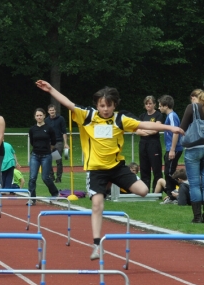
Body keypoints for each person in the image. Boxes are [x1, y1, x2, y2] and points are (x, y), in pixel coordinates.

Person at [36, 80, 184, 259]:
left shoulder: (120, 119)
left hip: (116, 168)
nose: (105, 109)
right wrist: (50, 89)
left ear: (115, 105)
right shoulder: (88, 116)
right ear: (97, 105)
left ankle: (107, 186)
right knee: (97, 204)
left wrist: (170, 127)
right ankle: (97, 245)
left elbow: (146, 125)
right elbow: (68, 103)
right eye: (102, 106)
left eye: (109, 106)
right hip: (97, 170)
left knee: (144, 190)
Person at [179, 90, 204, 222]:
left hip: (194, 147)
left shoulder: (192, 107)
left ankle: (197, 217)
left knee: (194, 184)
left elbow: (182, 128)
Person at [28, 108, 59, 204]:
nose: (39, 117)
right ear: (35, 117)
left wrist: (49, 149)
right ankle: (32, 199)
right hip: (35, 155)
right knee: (32, 177)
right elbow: (32, 142)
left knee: (45, 177)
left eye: (40, 115)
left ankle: (55, 193)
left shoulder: (49, 128)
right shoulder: (32, 129)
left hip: (46, 155)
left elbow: (53, 141)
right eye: (37, 115)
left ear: (44, 116)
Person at [158, 95, 184, 203]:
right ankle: (172, 195)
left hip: (174, 148)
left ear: (166, 106)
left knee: (170, 173)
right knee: (168, 172)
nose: (159, 108)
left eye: (160, 106)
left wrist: (172, 149)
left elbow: (175, 132)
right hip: (171, 148)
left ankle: (176, 193)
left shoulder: (172, 116)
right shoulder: (169, 116)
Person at [136, 96, 164, 191]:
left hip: (154, 144)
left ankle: (156, 192)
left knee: (156, 169)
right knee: (144, 168)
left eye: (150, 103)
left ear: (154, 104)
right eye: (147, 104)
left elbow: (156, 129)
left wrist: (144, 131)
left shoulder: (158, 115)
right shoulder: (142, 116)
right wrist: (148, 131)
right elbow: (137, 131)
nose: (148, 105)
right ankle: (145, 191)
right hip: (143, 144)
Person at [44, 105, 68, 183]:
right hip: (49, 143)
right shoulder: (46, 120)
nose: (52, 112)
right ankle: (51, 176)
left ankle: (58, 177)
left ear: (55, 111)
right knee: (48, 160)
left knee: (58, 160)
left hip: (58, 142)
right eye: (50, 110)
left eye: (53, 110)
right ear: (48, 111)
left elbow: (64, 131)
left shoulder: (60, 119)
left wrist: (66, 143)